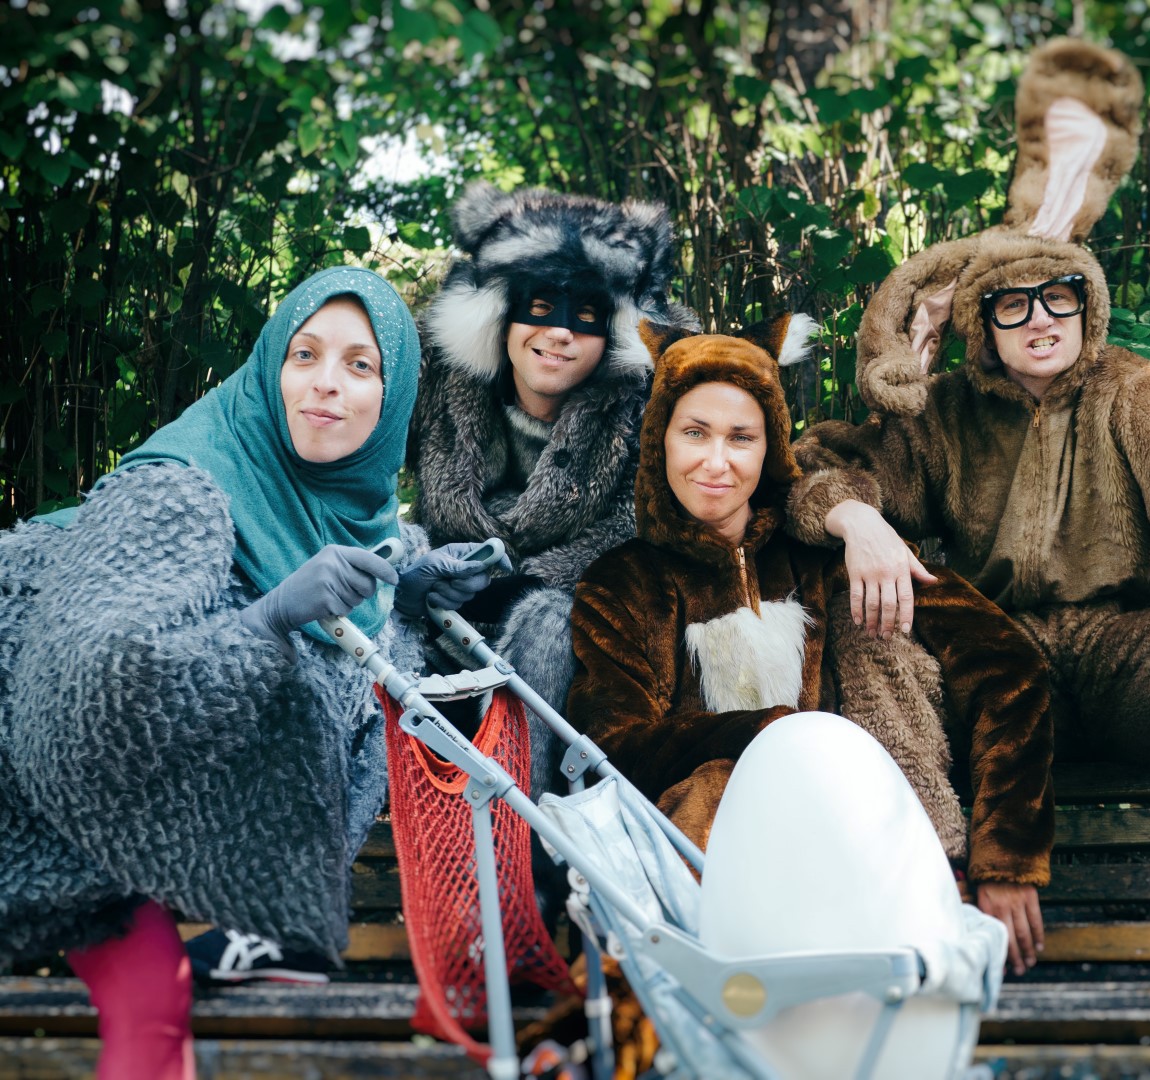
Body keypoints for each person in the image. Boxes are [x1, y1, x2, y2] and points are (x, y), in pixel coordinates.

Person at [784, 39, 1150, 995]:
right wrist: (860, 522)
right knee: (867, 612)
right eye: (1013, 307)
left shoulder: (1132, 389)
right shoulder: (951, 412)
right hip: (1003, 672)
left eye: (1059, 298)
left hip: (1130, 658)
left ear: (1086, 308)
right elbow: (828, 466)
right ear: (984, 326)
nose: (1040, 320)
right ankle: (936, 878)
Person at [0, 267, 493, 1076]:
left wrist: (404, 589)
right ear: (271, 367)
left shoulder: (339, 506)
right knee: (154, 1024)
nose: (325, 386)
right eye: (305, 355)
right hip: (41, 799)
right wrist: (267, 621)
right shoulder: (179, 493)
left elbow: (345, 642)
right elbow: (95, 702)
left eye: (360, 366)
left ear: (394, 395)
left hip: (133, 837)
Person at [566, 314, 1055, 980]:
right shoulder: (622, 583)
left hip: (844, 860)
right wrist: (778, 735)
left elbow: (1010, 665)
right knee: (712, 785)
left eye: (742, 437)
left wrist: (1007, 857)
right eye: (695, 434)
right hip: (704, 875)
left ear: (770, 448)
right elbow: (614, 749)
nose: (717, 461)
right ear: (660, 443)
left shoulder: (829, 561)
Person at [409, 181, 698, 798]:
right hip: (441, 625)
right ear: (501, 315)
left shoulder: (645, 408)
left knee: (546, 623)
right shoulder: (440, 383)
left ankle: (525, 847)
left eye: (585, 316)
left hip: (573, 642)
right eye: (538, 307)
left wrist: (519, 580)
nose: (559, 333)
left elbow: (637, 527)